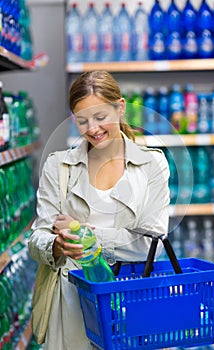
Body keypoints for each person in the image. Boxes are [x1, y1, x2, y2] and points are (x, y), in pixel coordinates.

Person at [28, 70, 170, 350]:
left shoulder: (152, 165)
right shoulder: (59, 167)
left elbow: (150, 244)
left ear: (120, 108)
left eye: (100, 117)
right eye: (82, 121)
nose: (92, 128)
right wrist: (56, 246)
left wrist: (86, 238)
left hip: (131, 304)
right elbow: (36, 240)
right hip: (70, 309)